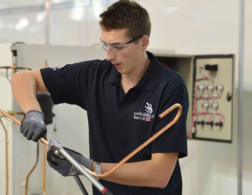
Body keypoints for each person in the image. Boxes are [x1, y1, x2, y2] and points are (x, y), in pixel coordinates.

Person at [11, 0, 189, 194]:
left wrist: (88, 166)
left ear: (143, 42)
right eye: (105, 45)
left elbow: (159, 174)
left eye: (118, 46)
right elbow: (22, 79)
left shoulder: (169, 87)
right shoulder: (95, 74)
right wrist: (33, 112)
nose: (109, 56)